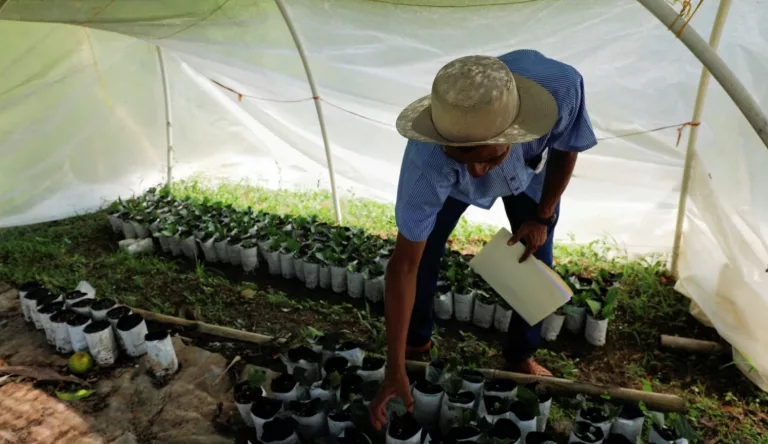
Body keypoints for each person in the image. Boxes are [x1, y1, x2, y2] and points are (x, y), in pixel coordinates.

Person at [369, 50, 598, 429]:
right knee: (423, 257)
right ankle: (416, 343)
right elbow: (403, 265)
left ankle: (520, 354)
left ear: (515, 131)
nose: (476, 171)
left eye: (488, 158)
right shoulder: (428, 165)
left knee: (536, 260)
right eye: (461, 155)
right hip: (449, 183)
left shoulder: (561, 90)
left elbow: (567, 148)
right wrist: (393, 367)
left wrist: (542, 215)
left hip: (529, 176)